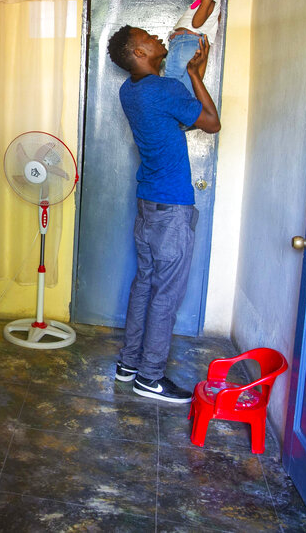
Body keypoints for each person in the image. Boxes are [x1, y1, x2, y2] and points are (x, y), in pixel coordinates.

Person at [106, 23, 220, 403]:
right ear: (138, 53)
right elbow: (211, 122)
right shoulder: (164, 89)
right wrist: (193, 74)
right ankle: (150, 377)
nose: (156, 39)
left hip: (147, 205)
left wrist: (187, 77)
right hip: (170, 207)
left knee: (144, 286)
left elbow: (178, 121)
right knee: (165, 295)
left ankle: (128, 364)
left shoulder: (131, 91)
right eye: (148, 37)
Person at [162, 0, 229, 96]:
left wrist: (205, 1)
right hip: (184, 42)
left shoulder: (209, 1)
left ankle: (179, 109)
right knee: (179, 84)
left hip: (187, 42)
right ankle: (181, 109)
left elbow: (197, 23)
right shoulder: (206, 2)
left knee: (174, 83)